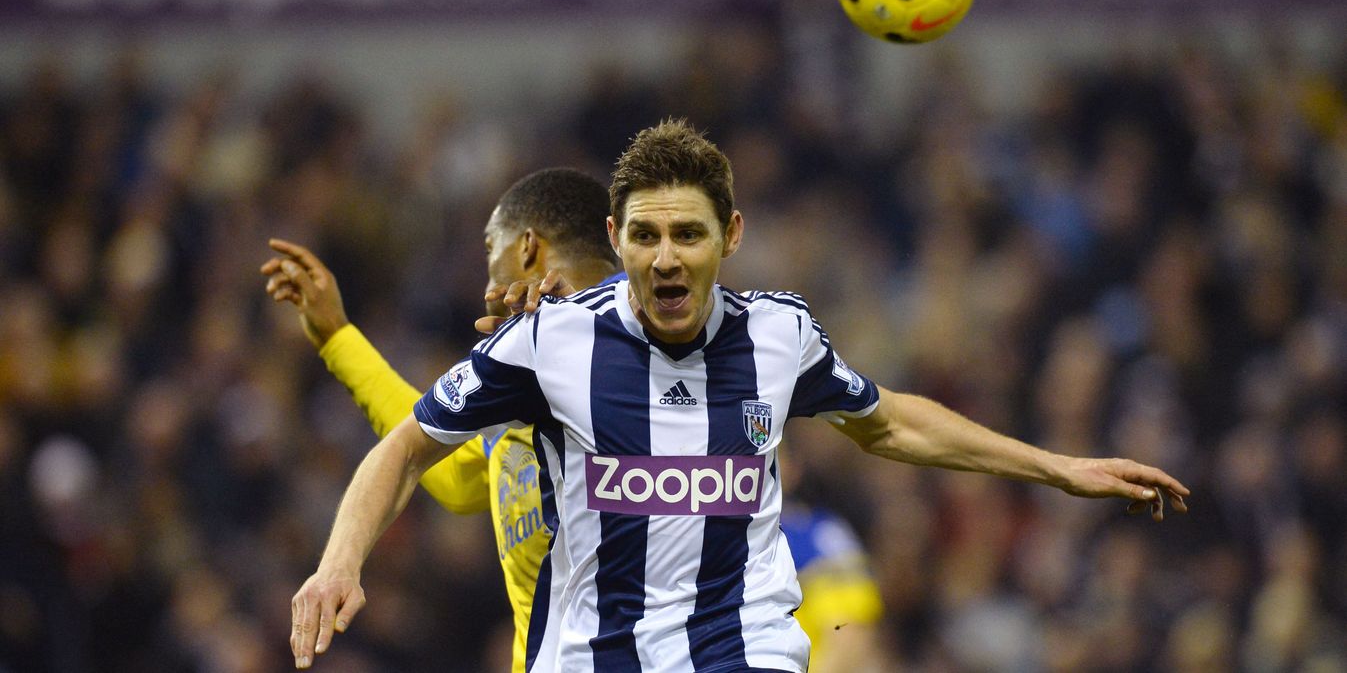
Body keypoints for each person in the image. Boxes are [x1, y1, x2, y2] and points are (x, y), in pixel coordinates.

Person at [288, 118, 1189, 672]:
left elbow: (888, 424)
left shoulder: (780, 334)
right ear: (616, 236)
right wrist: (338, 564)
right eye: (645, 235)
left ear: (732, 236)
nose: (666, 256)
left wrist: (1057, 467)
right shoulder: (546, 345)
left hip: (742, 650)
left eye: (689, 233)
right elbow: (411, 448)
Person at [261, 168, 619, 673]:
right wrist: (338, 339)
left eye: (490, 249)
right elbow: (452, 475)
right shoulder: (516, 360)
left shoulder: (664, 342)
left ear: (527, 247)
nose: (487, 279)